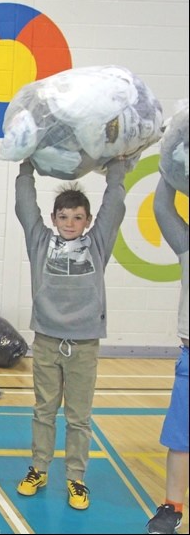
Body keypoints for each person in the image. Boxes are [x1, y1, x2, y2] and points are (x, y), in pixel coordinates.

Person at [14, 157, 126, 510]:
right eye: (64, 217)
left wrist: (119, 168)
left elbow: (115, 205)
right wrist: (26, 167)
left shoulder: (97, 243)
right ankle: (39, 468)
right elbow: (24, 205)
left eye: (78, 217)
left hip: (84, 344)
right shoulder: (39, 239)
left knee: (79, 417)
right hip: (46, 339)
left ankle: (76, 479)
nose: (70, 223)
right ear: (53, 219)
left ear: (89, 221)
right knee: (44, 410)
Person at [146, 173, 188, 535]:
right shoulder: (188, 242)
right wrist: (169, 166)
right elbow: (162, 206)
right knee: (181, 438)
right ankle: (172, 507)